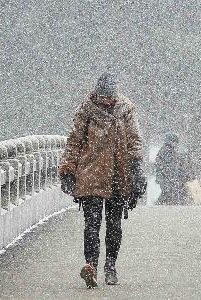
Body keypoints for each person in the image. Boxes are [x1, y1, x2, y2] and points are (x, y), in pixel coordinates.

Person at [59, 72, 146, 288]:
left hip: (118, 174)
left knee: (114, 224)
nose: (107, 100)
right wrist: (68, 170)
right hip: (91, 174)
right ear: (97, 92)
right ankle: (91, 266)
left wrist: (136, 170)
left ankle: (110, 265)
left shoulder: (126, 109)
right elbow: (74, 142)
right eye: (103, 96)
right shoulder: (86, 109)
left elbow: (134, 141)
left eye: (110, 96)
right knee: (92, 224)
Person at [154, 134, 192, 205]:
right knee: (168, 193)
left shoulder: (167, 150)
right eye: (176, 142)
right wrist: (174, 177)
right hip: (166, 178)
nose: (177, 144)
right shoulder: (167, 151)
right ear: (171, 142)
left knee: (167, 193)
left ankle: (160, 205)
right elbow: (170, 167)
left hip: (165, 178)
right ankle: (159, 205)